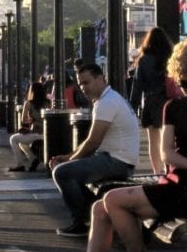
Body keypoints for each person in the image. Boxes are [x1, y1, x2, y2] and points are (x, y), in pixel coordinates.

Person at [45, 40, 187, 252]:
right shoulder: (172, 107)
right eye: (183, 84)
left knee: (112, 200)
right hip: (178, 181)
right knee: (99, 209)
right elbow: (166, 154)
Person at [49, 62, 140, 237]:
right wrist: (69, 157)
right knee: (67, 170)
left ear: (100, 78)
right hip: (117, 159)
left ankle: (81, 221)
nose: (83, 88)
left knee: (62, 173)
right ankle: (95, 215)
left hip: (118, 162)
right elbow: (92, 143)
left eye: (86, 82)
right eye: (80, 83)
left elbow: (93, 142)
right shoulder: (108, 99)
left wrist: (68, 161)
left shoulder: (108, 102)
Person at [128, 27, 174, 174]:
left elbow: (137, 85)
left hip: (151, 100)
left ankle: (157, 171)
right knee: (169, 138)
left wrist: (132, 107)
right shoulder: (171, 58)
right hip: (169, 100)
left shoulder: (144, 60)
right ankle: (169, 169)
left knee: (153, 140)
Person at [8, 81, 47, 172]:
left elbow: (23, 120)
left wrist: (31, 119)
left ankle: (20, 164)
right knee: (22, 143)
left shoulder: (28, 103)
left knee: (13, 139)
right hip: (46, 133)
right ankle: (33, 160)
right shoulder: (48, 102)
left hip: (35, 133)